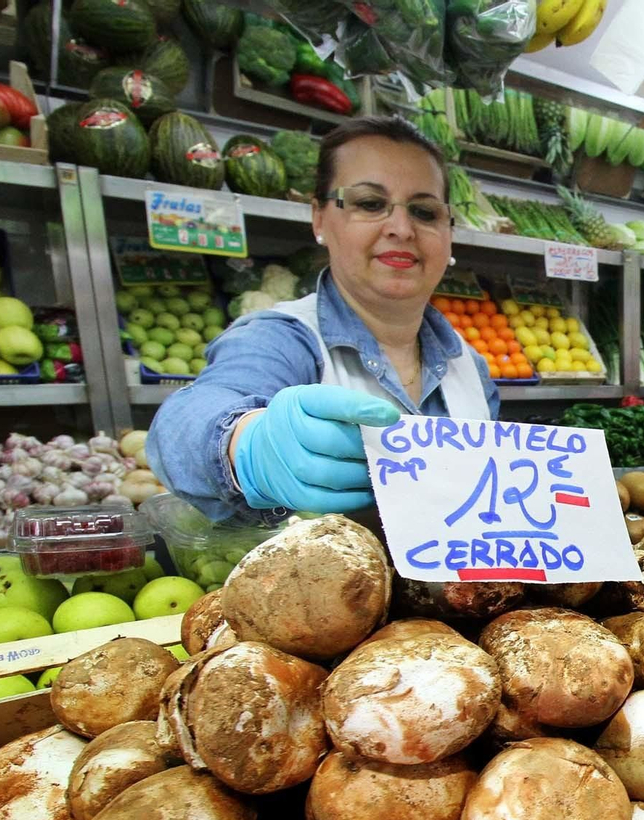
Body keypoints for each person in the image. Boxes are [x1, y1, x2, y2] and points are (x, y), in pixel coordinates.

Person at [146, 115, 499, 523]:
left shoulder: (470, 367)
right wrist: (245, 444)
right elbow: (184, 421)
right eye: (370, 203)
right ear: (319, 218)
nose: (402, 228)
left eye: (425, 211)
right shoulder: (280, 339)